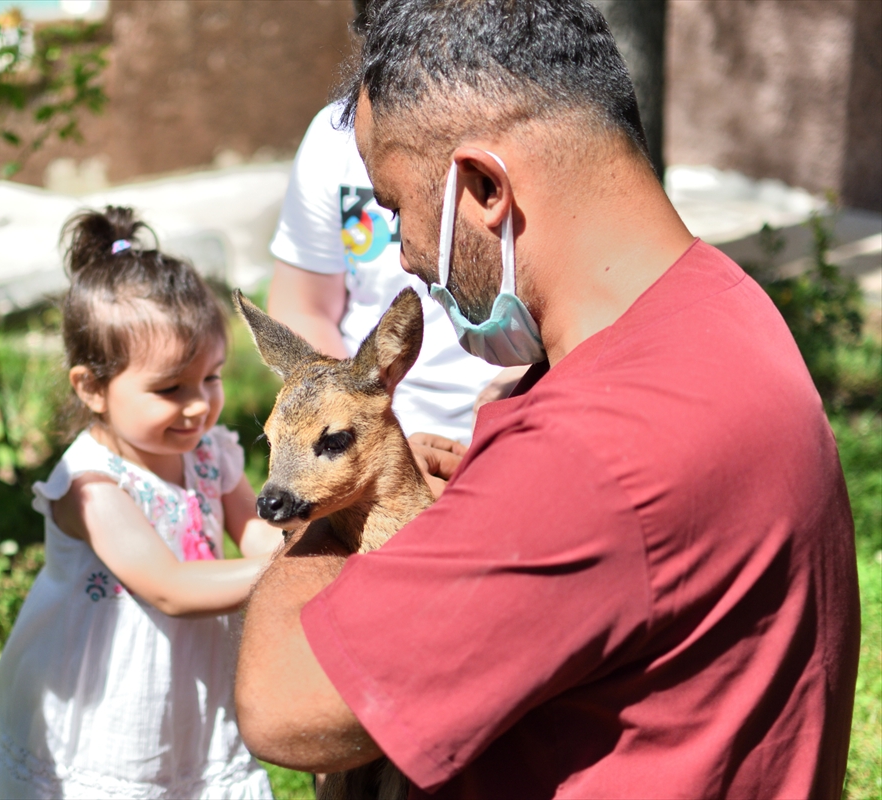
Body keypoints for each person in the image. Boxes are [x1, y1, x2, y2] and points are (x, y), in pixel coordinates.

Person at [235, 1, 860, 798]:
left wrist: (331, 509)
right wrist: (482, 508)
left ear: (484, 186)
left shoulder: (590, 454)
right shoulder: (722, 308)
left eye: (395, 208)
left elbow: (281, 707)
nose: (405, 256)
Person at [0, 207, 280, 799]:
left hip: (192, 679)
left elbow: (257, 529)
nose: (199, 406)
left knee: (193, 770)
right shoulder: (90, 486)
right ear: (91, 387)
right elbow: (169, 587)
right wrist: (293, 568)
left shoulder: (210, 451)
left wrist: (296, 542)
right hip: (110, 696)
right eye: (170, 388)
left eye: (212, 378)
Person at [268, 0, 511, 448]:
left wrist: (518, 395)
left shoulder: (518, 123)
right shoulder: (332, 139)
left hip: (512, 422)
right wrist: (365, 426)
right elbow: (303, 306)